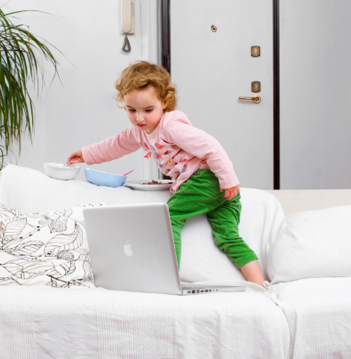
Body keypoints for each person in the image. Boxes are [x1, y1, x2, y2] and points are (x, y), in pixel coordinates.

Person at [66, 61, 265, 286]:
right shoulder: (138, 132)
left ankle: (168, 282)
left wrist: (228, 181)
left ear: (165, 102)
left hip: (206, 180)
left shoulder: (171, 126)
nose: (139, 118)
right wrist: (85, 154)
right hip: (212, 187)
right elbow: (115, 145)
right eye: (132, 110)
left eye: (148, 110)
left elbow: (212, 147)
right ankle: (260, 285)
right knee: (227, 237)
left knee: (167, 218)